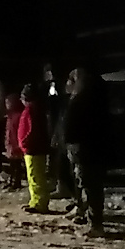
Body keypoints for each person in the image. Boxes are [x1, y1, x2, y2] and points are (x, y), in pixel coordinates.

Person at [63, 67, 108, 237]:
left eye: (72, 79)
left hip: (87, 149)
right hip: (84, 148)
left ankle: (96, 223)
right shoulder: (83, 98)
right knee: (83, 182)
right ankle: (86, 213)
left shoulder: (86, 100)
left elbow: (79, 125)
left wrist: (73, 142)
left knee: (90, 185)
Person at [18, 84, 52, 213]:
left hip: (33, 148)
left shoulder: (32, 110)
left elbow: (31, 130)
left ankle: (39, 202)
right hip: (33, 148)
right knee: (34, 176)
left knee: (36, 176)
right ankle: (35, 200)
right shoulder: (35, 109)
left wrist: (25, 142)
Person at [43, 63, 73, 200]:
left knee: (63, 160)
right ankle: (58, 184)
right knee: (57, 158)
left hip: (62, 130)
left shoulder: (64, 93)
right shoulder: (50, 87)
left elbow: (59, 109)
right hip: (55, 126)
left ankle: (65, 187)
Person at [3, 93, 26, 190]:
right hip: (10, 144)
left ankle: (16, 182)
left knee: (16, 165)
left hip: (16, 144)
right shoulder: (9, 116)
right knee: (12, 165)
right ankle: (11, 180)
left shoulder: (18, 116)